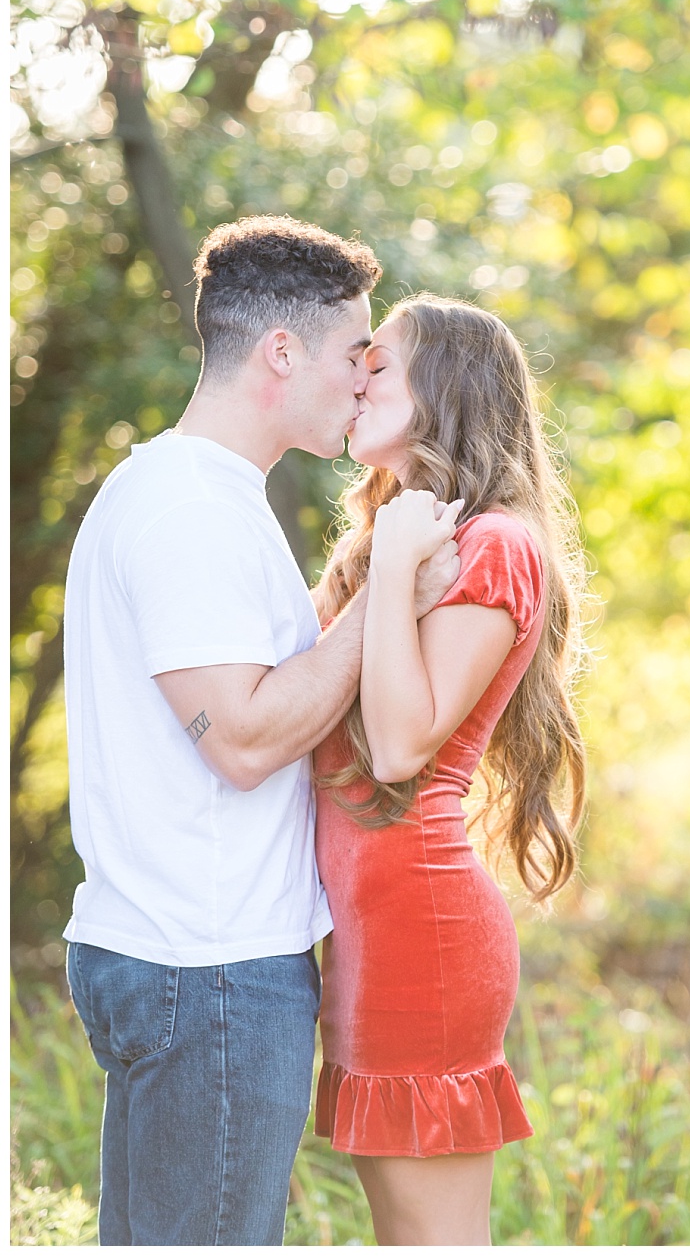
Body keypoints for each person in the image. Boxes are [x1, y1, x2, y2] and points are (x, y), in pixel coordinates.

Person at [62, 216, 461, 1245]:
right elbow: (240, 740)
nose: (365, 379)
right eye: (353, 352)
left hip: (190, 960)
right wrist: (387, 591)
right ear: (281, 350)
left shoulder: (201, 494)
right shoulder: (186, 509)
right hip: (209, 972)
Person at [307, 293, 588, 1245]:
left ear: (445, 386)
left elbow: (399, 746)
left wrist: (391, 573)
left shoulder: (496, 545)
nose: (356, 379)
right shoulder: (406, 538)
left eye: (377, 363)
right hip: (366, 936)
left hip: (421, 931)